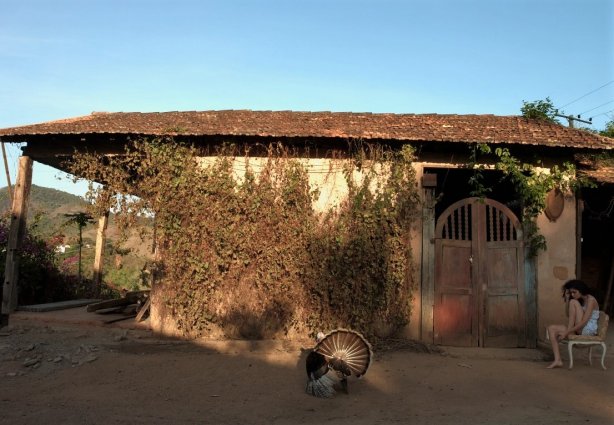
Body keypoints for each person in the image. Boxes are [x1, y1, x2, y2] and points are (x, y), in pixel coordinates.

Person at [546, 279, 600, 369]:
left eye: (574, 292)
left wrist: (566, 332)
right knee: (551, 328)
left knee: (573, 302)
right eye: (571, 293)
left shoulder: (591, 300)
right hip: (579, 328)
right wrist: (567, 299)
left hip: (587, 329)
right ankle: (558, 360)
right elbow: (568, 314)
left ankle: (567, 331)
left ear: (581, 289)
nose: (572, 295)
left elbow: (584, 322)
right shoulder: (580, 300)